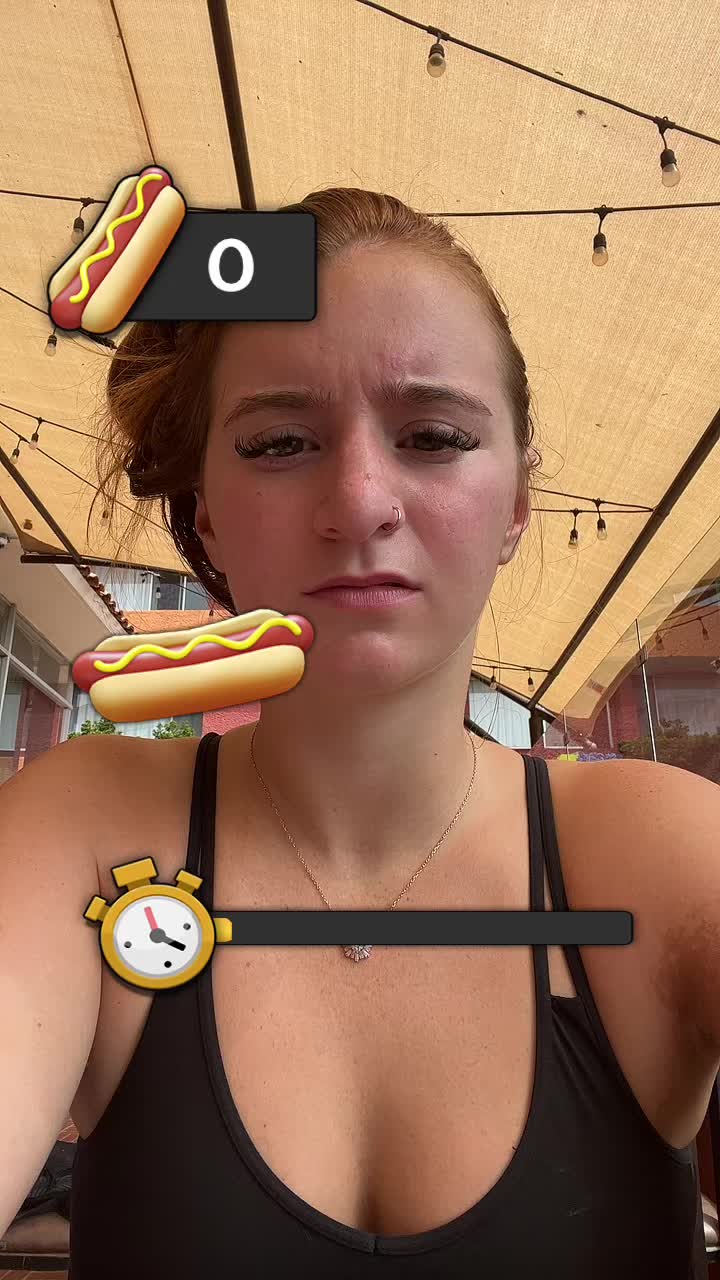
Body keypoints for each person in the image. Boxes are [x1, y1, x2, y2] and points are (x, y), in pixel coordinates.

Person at [1, 187, 718, 1278]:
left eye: (433, 436)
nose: (360, 501)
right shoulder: (84, 828)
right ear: (205, 514)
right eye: (280, 442)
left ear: (519, 503)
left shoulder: (656, 851)